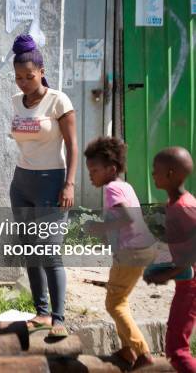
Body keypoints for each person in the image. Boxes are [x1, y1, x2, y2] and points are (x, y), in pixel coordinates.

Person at [8, 34, 78, 338]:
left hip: (52, 183)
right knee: (29, 250)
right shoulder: (14, 101)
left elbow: (73, 146)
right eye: (19, 77)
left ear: (42, 71)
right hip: (21, 183)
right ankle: (42, 313)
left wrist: (69, 184)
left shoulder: (58, 100)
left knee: (49, 251)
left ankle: (59, 319)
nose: (24, 82)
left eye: (29, 76)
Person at [83, 137, 156, 369]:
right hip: (143, 248)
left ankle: (143, 353)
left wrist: (99, 228)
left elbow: (127, 217)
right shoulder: (125, 186)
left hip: (131, 252)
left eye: (94, 170)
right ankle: (127, 352)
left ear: (111, 169)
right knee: (120, 300)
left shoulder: (113, 188)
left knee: (114, 304)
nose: (90, 175)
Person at [144, 147, 196, 373]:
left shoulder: (183, 208)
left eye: (156, 171)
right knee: (176, 341)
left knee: (177, 351)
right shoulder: (177, 204)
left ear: (172, 173)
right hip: (187, 283)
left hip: (191, 286)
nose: (153, 175)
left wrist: (165, 274)